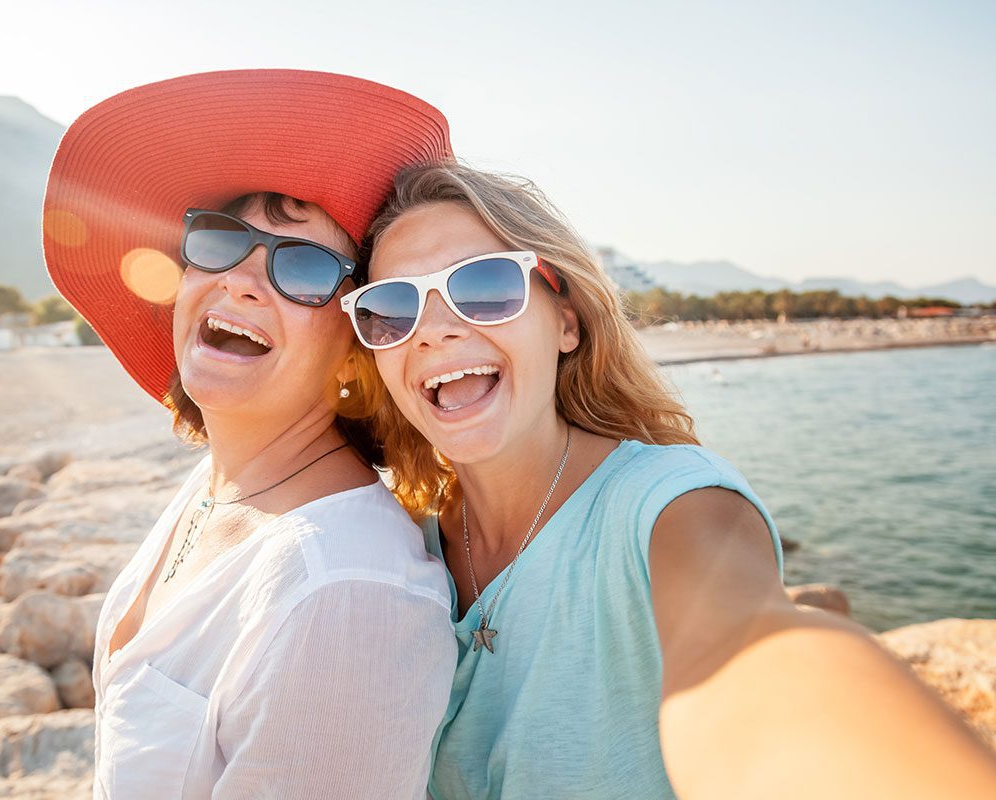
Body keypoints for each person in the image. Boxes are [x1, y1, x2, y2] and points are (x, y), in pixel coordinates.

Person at [341, 160, 996, 798]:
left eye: (484, 286)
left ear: (566, 322)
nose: (435, 330)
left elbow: (749, 654)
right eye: (391, 308)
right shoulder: (402, 544)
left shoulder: (675, 508)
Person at [43, 70, 457, 798]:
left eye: (302, 266)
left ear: (359, 343)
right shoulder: (215, 486)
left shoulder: (348, 592)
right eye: (221, 238)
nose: (239, 280)